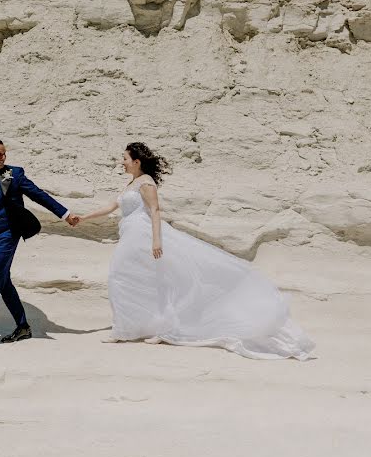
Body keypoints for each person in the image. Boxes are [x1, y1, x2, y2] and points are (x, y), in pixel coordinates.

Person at [78, 142, 315, 360]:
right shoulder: (131, 183)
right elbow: (111, 206)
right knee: (143, 281)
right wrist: (82, 218)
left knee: (120, 277)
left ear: (136, 162)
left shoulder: (146, 182)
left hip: (143, 236)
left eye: (125, 159)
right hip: (130, 236)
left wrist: (156, 241)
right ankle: (149, 327)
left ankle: (129, 330)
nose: (122, 162)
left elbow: (155, 211)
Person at [0, 137, 80, 351]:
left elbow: (39, 195)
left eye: (4, 154)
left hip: (7, 235)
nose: (3, 158)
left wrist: (65, 213)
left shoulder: (14, 174)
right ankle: (22, 326)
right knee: (3, 282)